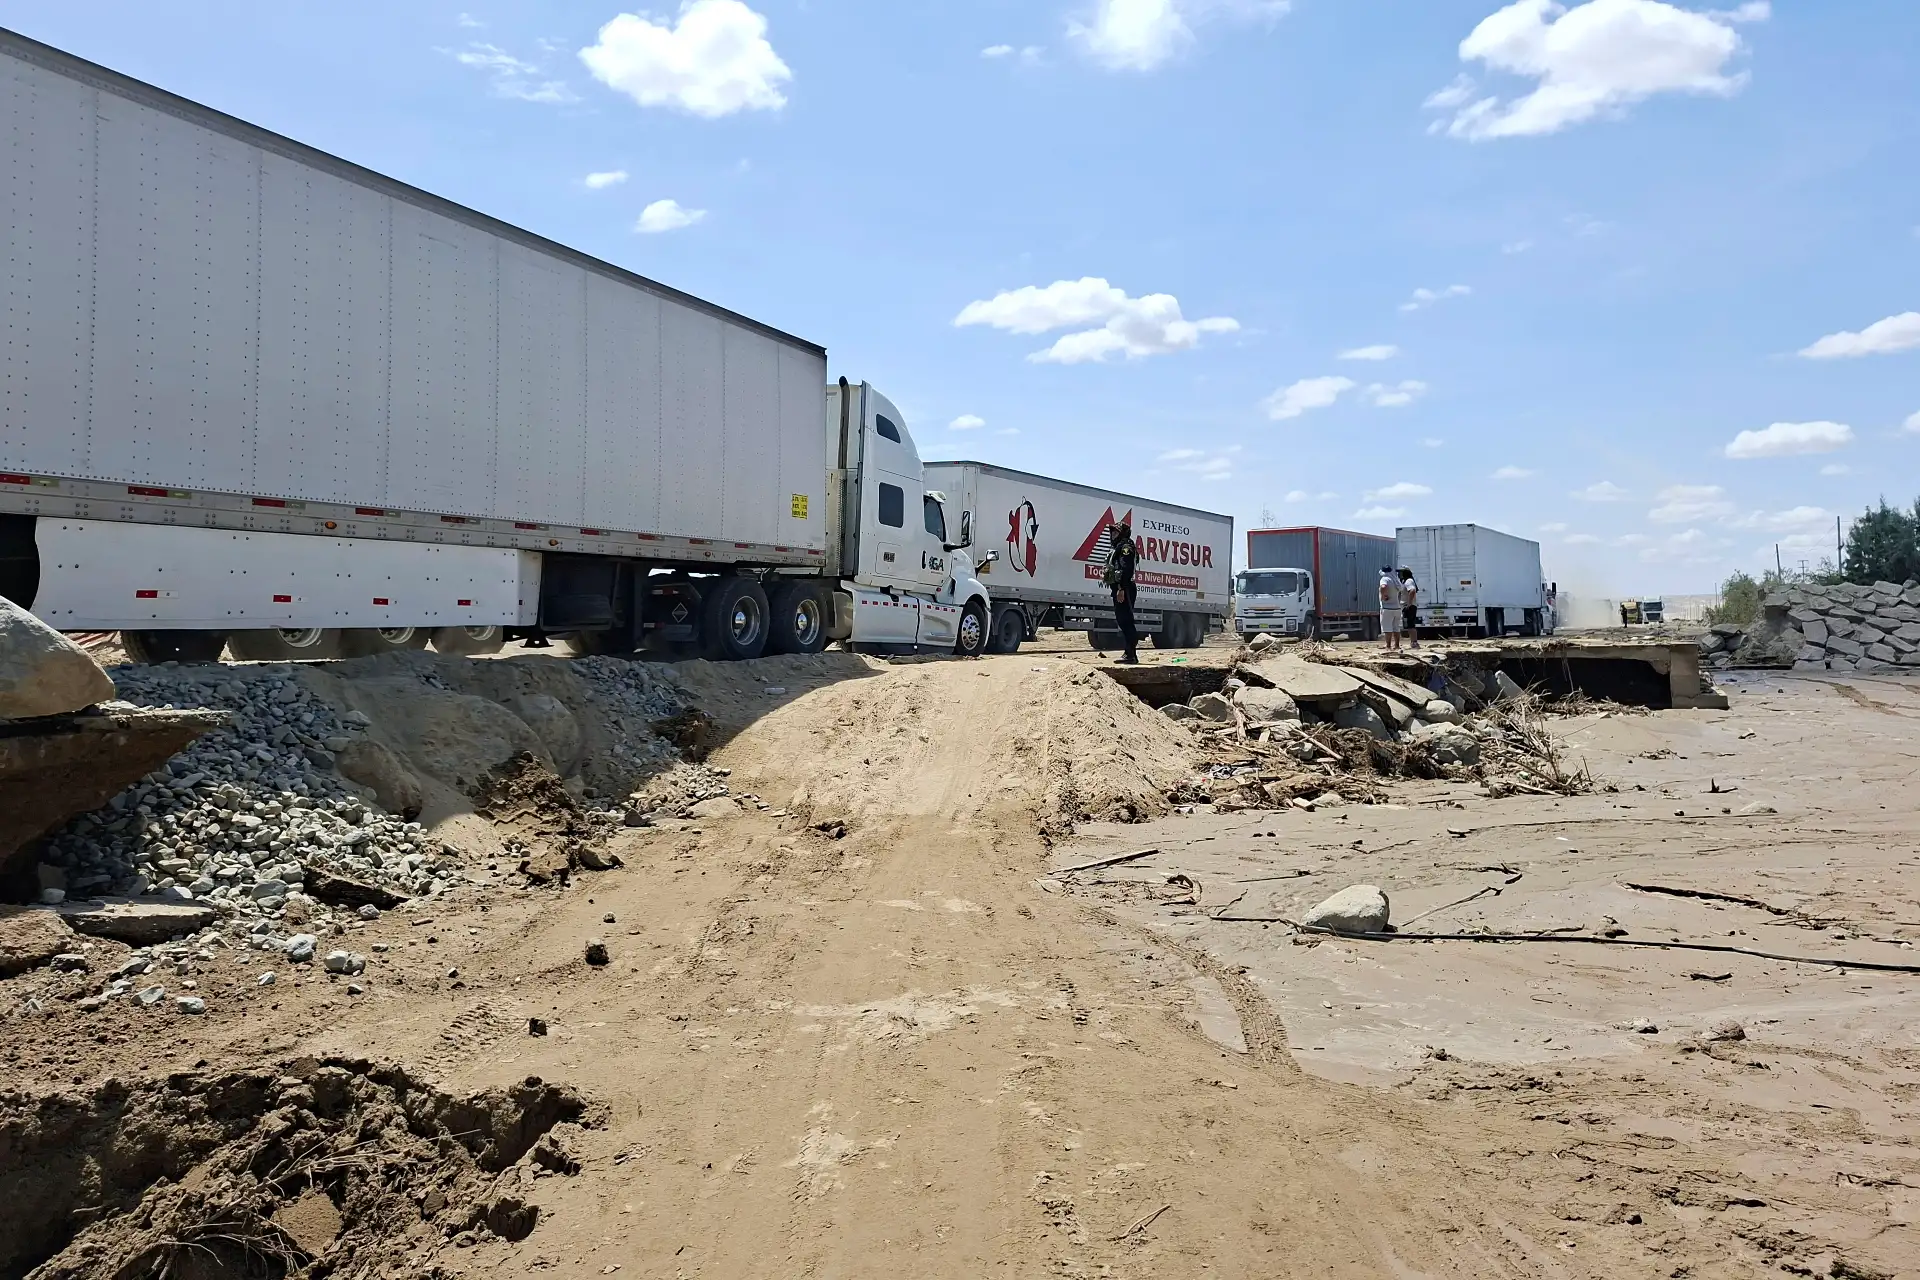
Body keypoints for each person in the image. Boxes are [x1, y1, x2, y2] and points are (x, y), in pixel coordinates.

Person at [1104, 517, 1140, 663]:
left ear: (1123, 533)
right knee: (1123, 620)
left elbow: (1126, 569)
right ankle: (1129, 654)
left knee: (1126, 621)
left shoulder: (1126, 547)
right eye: (1112, 532)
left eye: (1116, 532)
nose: (1113, 534)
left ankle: (1130, 654)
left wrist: (1121, 588)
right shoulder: (1119, 547)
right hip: (1121, 588)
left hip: (1125, 588)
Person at [1378, 566, 1403, 651]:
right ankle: (1397, 645)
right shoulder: (1395, 580)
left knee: (1387, 628)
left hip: (1387, 608)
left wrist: (1383, 596)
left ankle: (1388, 646)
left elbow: (1383, 587)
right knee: (1396, 628)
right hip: (1397, 607)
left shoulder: (1385, 579)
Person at [1398, 567, 1421, 649]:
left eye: (1401, 572)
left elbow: (1412, 591)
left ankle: (1414, 642)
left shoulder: (1408, 581)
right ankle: (1412, 642)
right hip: (1407, 606)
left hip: (1409, 607)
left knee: (1410, 624)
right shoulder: (1405, 581)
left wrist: (1409, 603)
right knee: (1408, 625)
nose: (1399, 574)